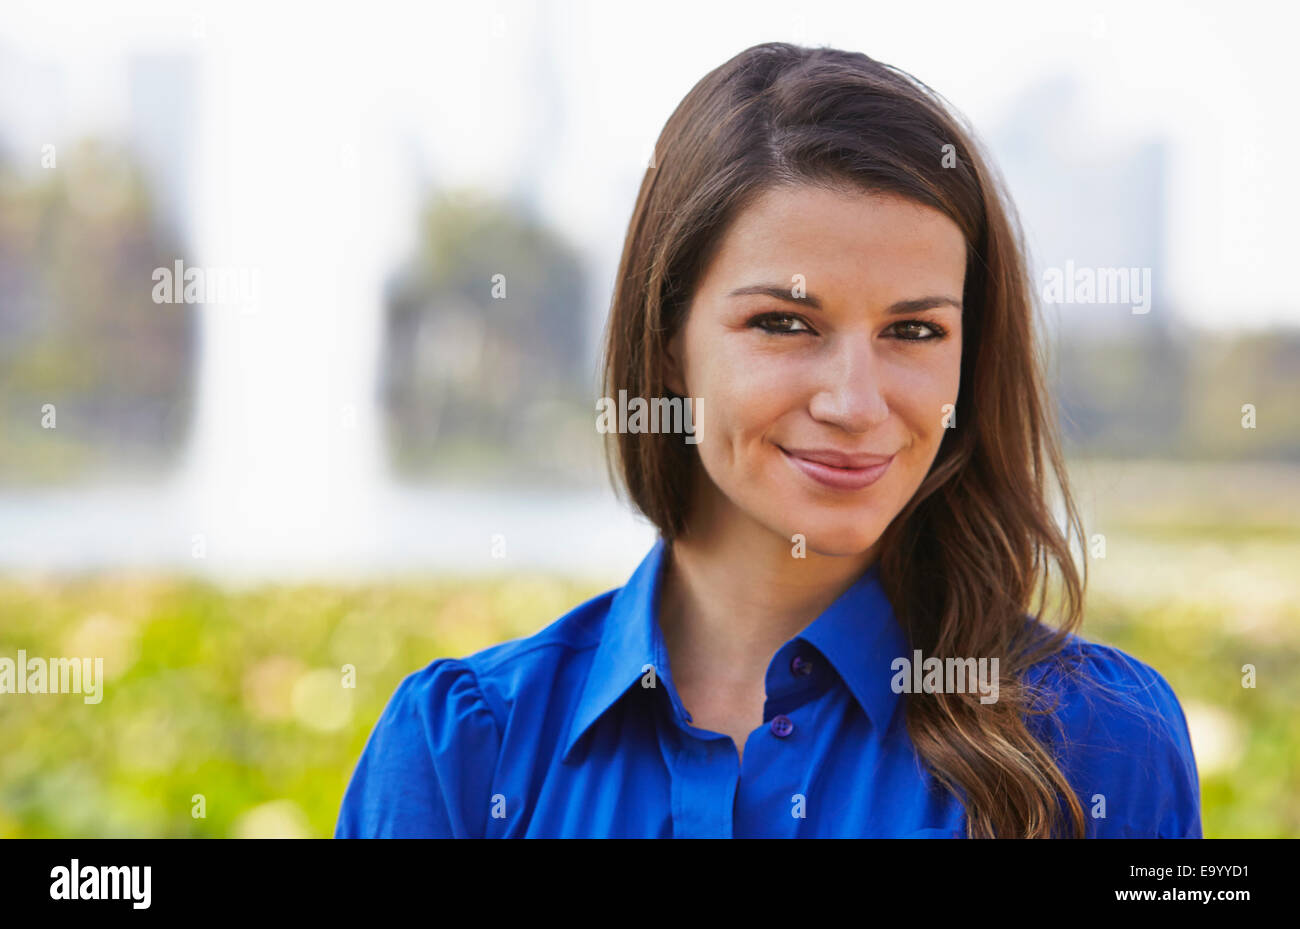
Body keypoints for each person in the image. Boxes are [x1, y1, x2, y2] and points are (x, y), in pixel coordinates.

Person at [336, 42, 1201, 838]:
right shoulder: (462, 753)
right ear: (670, 340)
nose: (857, 403)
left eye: (915, 331)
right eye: (785, 322)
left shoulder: (1099, 744)